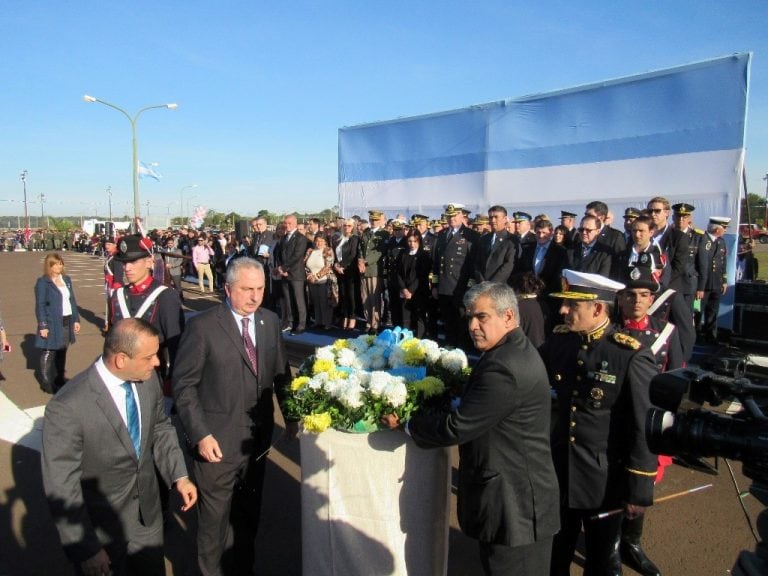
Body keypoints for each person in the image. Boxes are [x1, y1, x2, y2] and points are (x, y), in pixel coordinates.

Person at [382, 282, 560, 575]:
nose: (473, 325)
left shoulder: (504, 365)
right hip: (518, 500)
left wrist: (406, 424)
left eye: (482, 317)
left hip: (515, 508)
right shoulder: (510, 349)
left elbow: (457, 426)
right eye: (469, 317)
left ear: (508, 317)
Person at [42, 318, 197, 576]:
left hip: (147, 519)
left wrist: (179, 476)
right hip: (102, 531)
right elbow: (61, 486)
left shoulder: (148, 380)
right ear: (121, 360)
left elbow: (160, 427)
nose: (157, 362)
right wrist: (86, 548)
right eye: (149, 357)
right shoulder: (67, 406)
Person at [173, 257, 294, 576]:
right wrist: (200, 433)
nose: (255, 297)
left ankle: (243, 569)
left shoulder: (269, 321)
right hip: (216, 442)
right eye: (247, 289)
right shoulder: (202, 326)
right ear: (227, 289)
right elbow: (184, 387)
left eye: (260, 289)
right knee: (214, 525)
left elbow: (282, 374)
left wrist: (292, 417)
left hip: (256, 442)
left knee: (247, 516)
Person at [539, 269, 658, 576]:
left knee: (602, 563)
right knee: (554, 555)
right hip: (560, 471)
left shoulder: (628, 355)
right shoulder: (561, 341)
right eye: (564, 303)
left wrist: (638, 489)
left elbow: (643, 426)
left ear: (598, 308)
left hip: (604, 482)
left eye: (572, 305)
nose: (563, 310)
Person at [110, 235, 185, 395]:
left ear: (149, 262)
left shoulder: (165, 295)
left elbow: (175, 342)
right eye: (124, 263)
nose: (127, 268)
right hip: (120, 376)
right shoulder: (118, 295)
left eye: (133, 262)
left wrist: (174, 380)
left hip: (151, 377)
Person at [432, 203, 480, 348]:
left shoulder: (471, 235)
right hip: (444, 286)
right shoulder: (441, 235)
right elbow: (436, 262)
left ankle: (462, 350)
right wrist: (435, 285)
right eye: (449, 216)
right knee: (448, 320)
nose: (451, 219)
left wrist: (469, 287)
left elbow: (473, 264)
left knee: (462, 321)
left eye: (454, 216)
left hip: (460, 286)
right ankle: (450, 346)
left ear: (462, 215)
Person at [34, 252, 81, 393]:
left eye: (61, 263)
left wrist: (76, 320)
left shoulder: (66, 279)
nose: (59, 266)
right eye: (56, 264)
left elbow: (72, 300)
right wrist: (43, 325)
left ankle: (60, 378)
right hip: (52, 321)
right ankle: (46, 382)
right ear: (50, 266)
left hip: (67, 320)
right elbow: (40, 305)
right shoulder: (43, 282)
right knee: (49, 351)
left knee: (62, 350)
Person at [696, 216, 730, 343]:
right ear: (717, 229)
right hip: (703, 285)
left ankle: (711, 336)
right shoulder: (703, 240)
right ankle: (696, 336)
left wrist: (724, 280)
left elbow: (723, 262)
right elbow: (702, 265)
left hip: (716, 283)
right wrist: (700, 287)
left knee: (713, 311)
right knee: (698, 312)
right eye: (724, 228)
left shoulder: (721, 242)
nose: (725, 230)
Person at [276, 214, 309, 334]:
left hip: (296, 274)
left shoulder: (301, 238)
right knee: (288, 301)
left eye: (289, 223)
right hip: (284, 274)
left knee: (299, 301)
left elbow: (297, 255)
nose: (287, 225)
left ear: (295, 223)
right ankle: (290, 323)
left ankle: (301, 325)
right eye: (286, 223)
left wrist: (284, 268)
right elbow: (279, 254)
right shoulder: (284, 238)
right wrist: (280, 268)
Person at [357, 209, 390, 334]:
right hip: (363, 269)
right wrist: (360, 260)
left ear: (380, 220)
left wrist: (365, 261)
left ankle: (376, 323)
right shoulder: (365, 232)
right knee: (365, 296)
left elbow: (379, 252)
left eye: (376, 220)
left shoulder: (384, 234)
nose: (373, 222)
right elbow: (360, 247)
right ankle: (368, 321)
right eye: (372, 220)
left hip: (375, 270)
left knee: (374, 298)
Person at [396, 229, 432, 337]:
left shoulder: (424, 255)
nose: (412, 244)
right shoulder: (403, 254)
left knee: (419, 318)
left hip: (418, 291)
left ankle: (419, 340)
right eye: (410, 241)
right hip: (404, 291)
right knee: (405, 318)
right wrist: (403, 288)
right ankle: (405, 340)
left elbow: (422, 275)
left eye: (415, 241)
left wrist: (410, 290)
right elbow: (398, 273)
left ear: (419, 241)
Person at [473, 205, 518, 285]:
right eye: (491, 217)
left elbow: (508, 265)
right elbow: (477, 263)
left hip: (500, 287)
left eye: (496, 217)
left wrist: (491, 284)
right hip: (482, 286)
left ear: (504, 219)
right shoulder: (484, 239)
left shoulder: (511, 240)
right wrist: (481, 281)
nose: (493, 220)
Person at [333, 218, 362, 331]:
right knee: (343, 294)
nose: (346, 227)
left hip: (350, 271)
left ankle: (352, 317)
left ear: (353, 227)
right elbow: (335, 255)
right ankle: (345, 315)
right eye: (345, 225)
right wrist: (336, 265)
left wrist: (342, 266)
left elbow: (352, 255)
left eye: (349, 226)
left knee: (351, 296)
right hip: (340, 271)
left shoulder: (354, 238)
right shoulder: (338, 239)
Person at [304, 234, 334, 330]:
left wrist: (316, 276)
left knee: (324, 302)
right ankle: (318, 321)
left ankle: (327, 323)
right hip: (311, 280)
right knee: (315, 302)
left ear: (325, 241)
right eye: (317, 240)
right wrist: (309, 275)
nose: (319, 243)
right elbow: (304, 264)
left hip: (324, 280)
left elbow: (328, 267)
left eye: (321, 241)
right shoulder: (310, 251)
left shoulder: (328, 251)